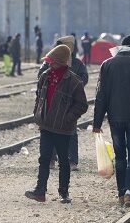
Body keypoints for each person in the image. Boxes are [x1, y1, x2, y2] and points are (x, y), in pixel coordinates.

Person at [92, 36, 130, 208]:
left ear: (122, 47)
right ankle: (129, 193)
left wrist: (97, 122)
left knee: (120, 157)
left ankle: (120, 193)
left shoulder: (107, 64)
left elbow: (101, 95)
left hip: (115, 119)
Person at [25, 45, 89, 204]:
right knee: (44, 159)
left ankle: (64, 193)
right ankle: (40, 191)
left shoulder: (73, 81)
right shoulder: (45, 77)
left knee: (64, 161)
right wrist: (37, 114)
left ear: (60, 62)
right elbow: (39, 97)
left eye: (51, 62)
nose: (49, 65)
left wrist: (68, 118)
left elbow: (82, 105)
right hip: (46, 126)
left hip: (63, 129)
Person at [39, 35, 89, 170]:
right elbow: (41, 77)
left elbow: (84, 77)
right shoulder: (49, 62)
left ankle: (72, 161)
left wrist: (74, 88)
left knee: (71, 132)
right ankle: (50, 159)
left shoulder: (77, 64)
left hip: (69, 104)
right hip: (51, 104)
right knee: (50, 132)